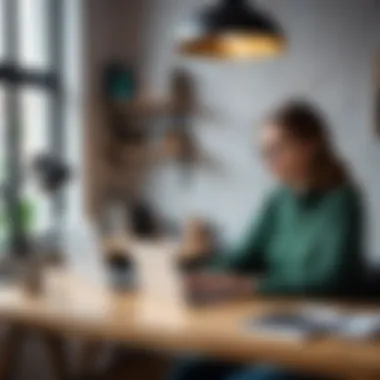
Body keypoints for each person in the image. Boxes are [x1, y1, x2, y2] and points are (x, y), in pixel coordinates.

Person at [173, 101, 364, 380]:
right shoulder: (279, 198)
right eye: (263, 151)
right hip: (274, 319)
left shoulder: (343, 201)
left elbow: (328, 279)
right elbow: (246, 254)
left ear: (309, 146)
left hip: (320, 336)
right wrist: (206, 273)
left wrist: (246, 285)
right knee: (188, 369)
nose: (267, 160)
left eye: (276, 149)